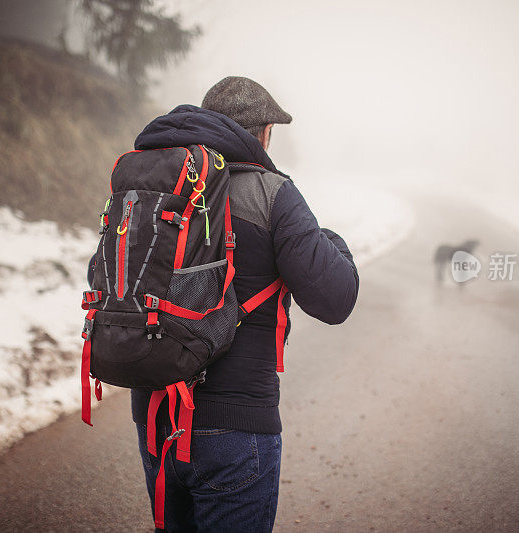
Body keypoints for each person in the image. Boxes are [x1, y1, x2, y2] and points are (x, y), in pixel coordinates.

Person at [130, 76, 359, 532]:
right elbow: (336, 299)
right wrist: (327, 240)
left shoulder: (157, 184)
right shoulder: (272, 193)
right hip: (235, 429)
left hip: (155, 417)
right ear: (263, 133)